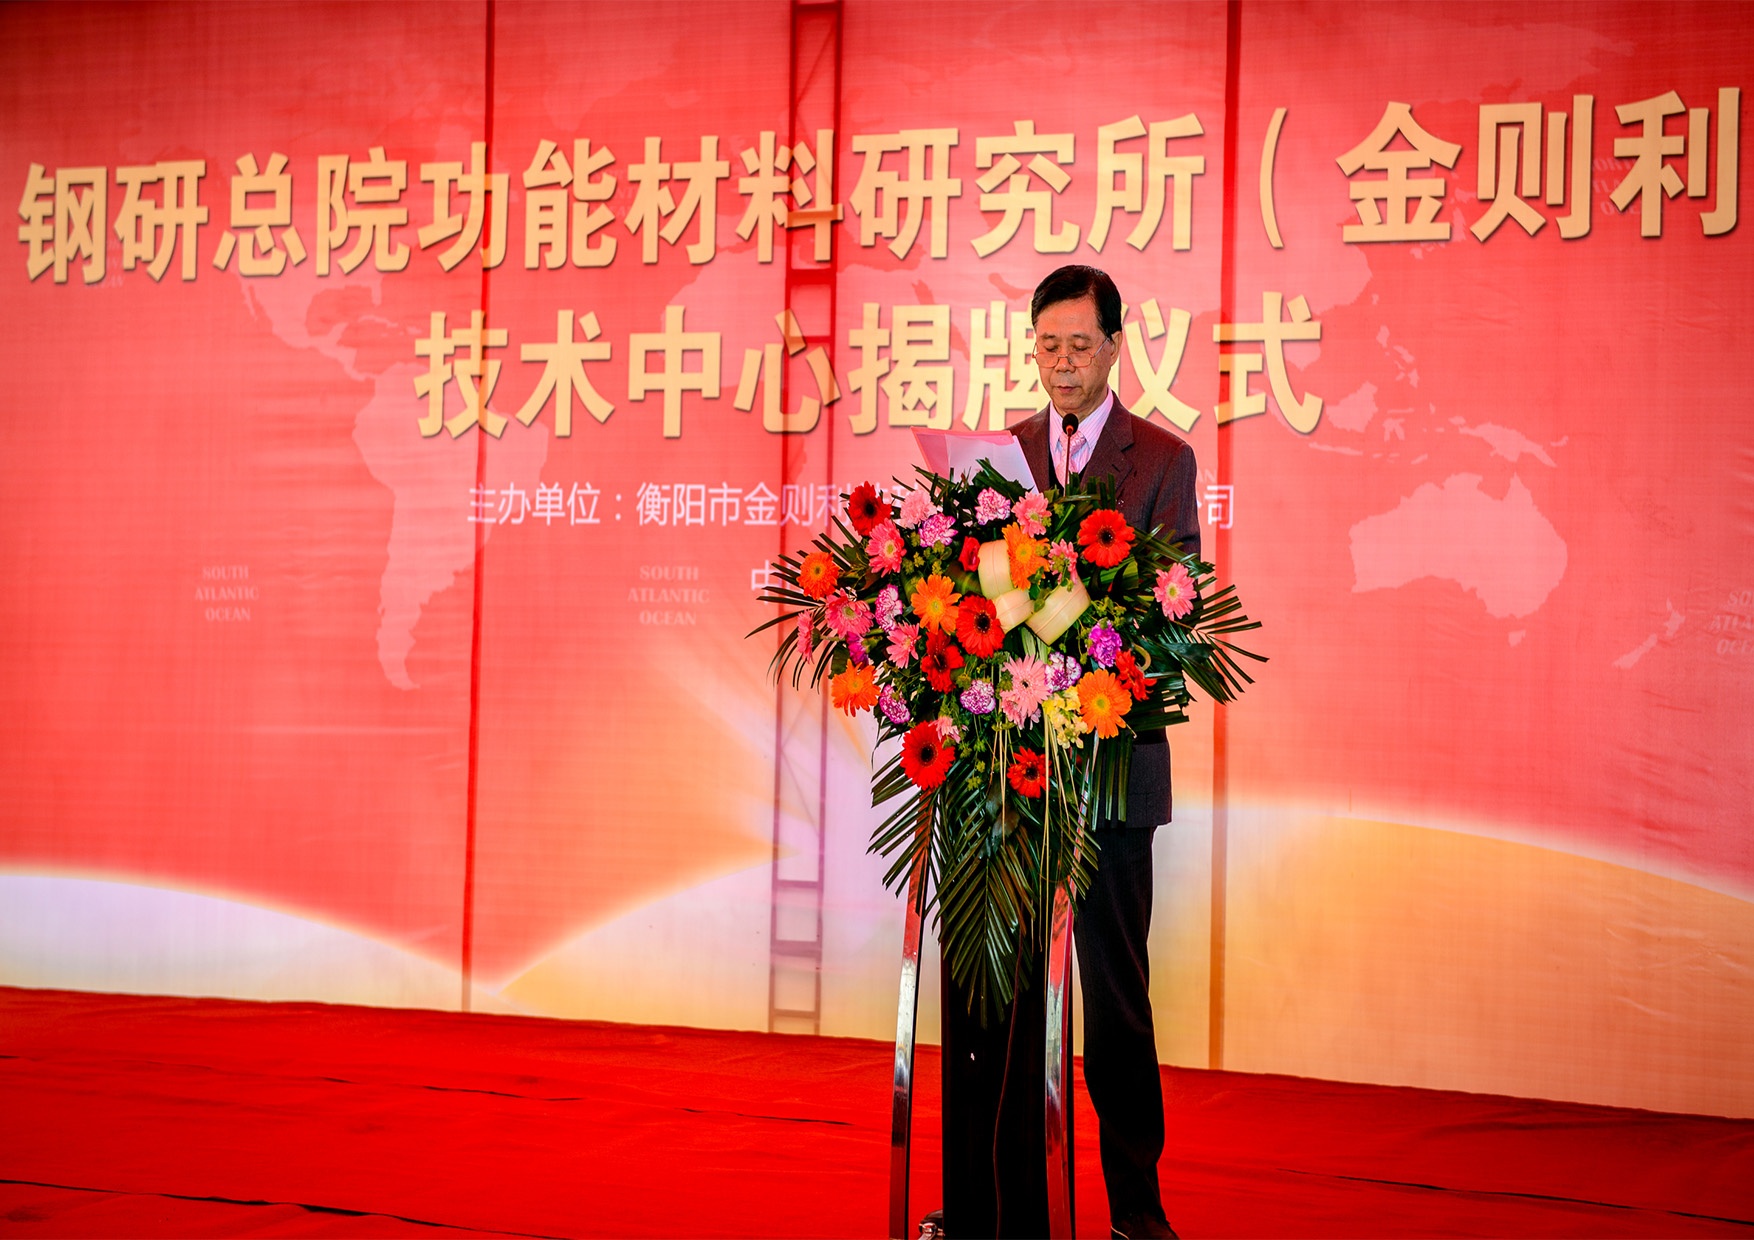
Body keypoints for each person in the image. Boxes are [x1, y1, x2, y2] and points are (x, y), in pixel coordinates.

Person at [939, 265, 1196, 1240]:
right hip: (1012, 778)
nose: (1061, 364)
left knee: (1116, 1002)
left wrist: (1074, 631)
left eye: (1079, 346)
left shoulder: (1160, 460)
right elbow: (980, 597)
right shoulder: (1002, 456)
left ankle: (1136, 1210)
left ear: (1114, 347)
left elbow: (1172, 620)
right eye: (1046, 346)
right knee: (1004, 1008)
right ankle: (1003, 1204)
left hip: (1113, 777)